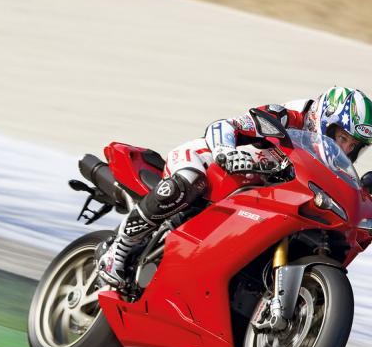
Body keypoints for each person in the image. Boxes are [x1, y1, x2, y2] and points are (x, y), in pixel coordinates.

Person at [98, 86, 372, 287]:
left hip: (255, 194)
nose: (346, 149)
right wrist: (225, 153)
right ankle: (119, 249)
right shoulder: (288, 117)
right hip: (212, 162)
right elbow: (225, 125)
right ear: (325, 119)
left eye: (354, 145)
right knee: (190, 180)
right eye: (342, 137)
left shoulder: (331, 167)